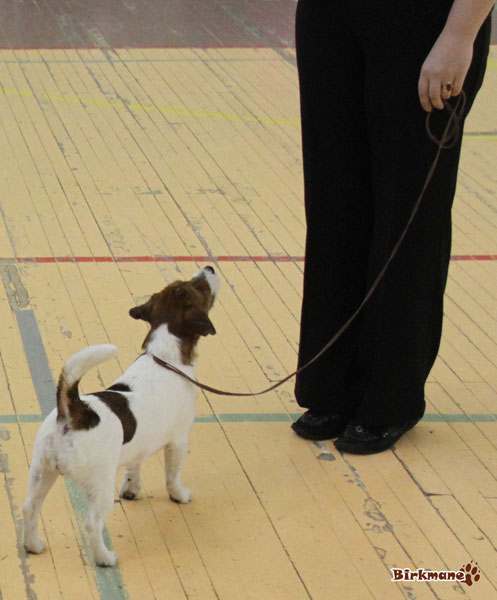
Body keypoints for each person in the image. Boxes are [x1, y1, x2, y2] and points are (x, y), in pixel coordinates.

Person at [291, 0, 494, 453]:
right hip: (330, 18)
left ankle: (389, 397)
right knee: (333, 205)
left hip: (424, 22)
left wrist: (459, 36)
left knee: (408, 213)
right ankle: (330, 387)